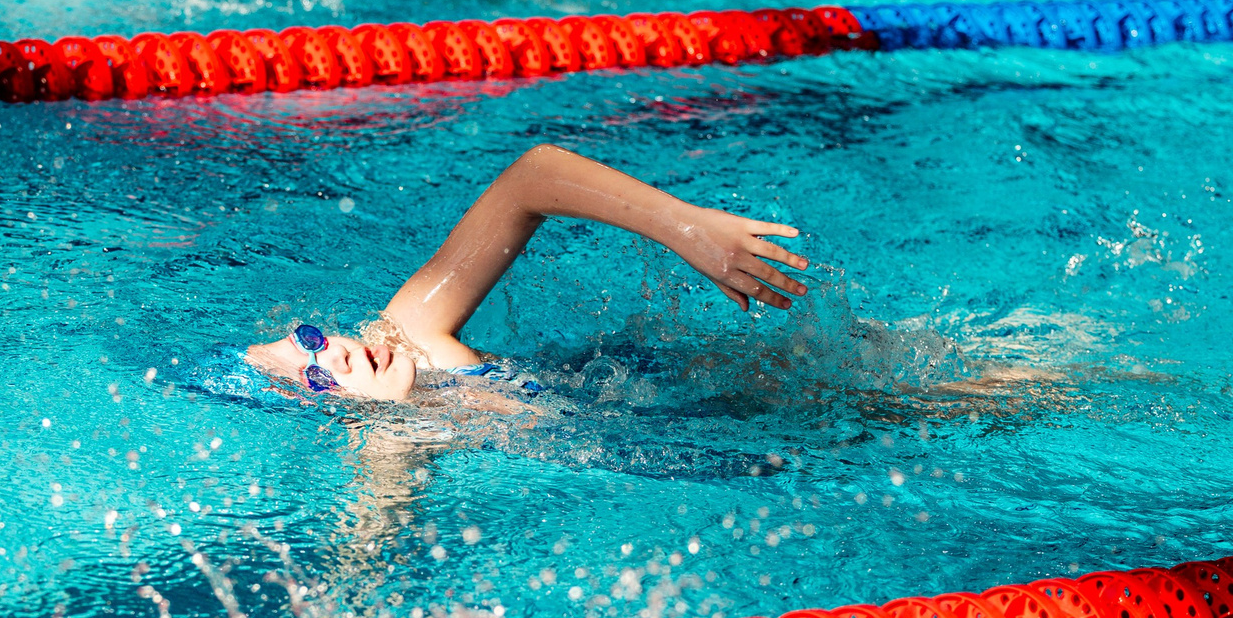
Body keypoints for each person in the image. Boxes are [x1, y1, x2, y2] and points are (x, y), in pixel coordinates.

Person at [240, 144, 811, 401]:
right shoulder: (388, 447)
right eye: (318, 377)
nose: (335, 355)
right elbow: (368, 553)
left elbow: (531, 179)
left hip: (674, 384)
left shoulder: (409, 331)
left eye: (311, 340)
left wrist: (688, 229)